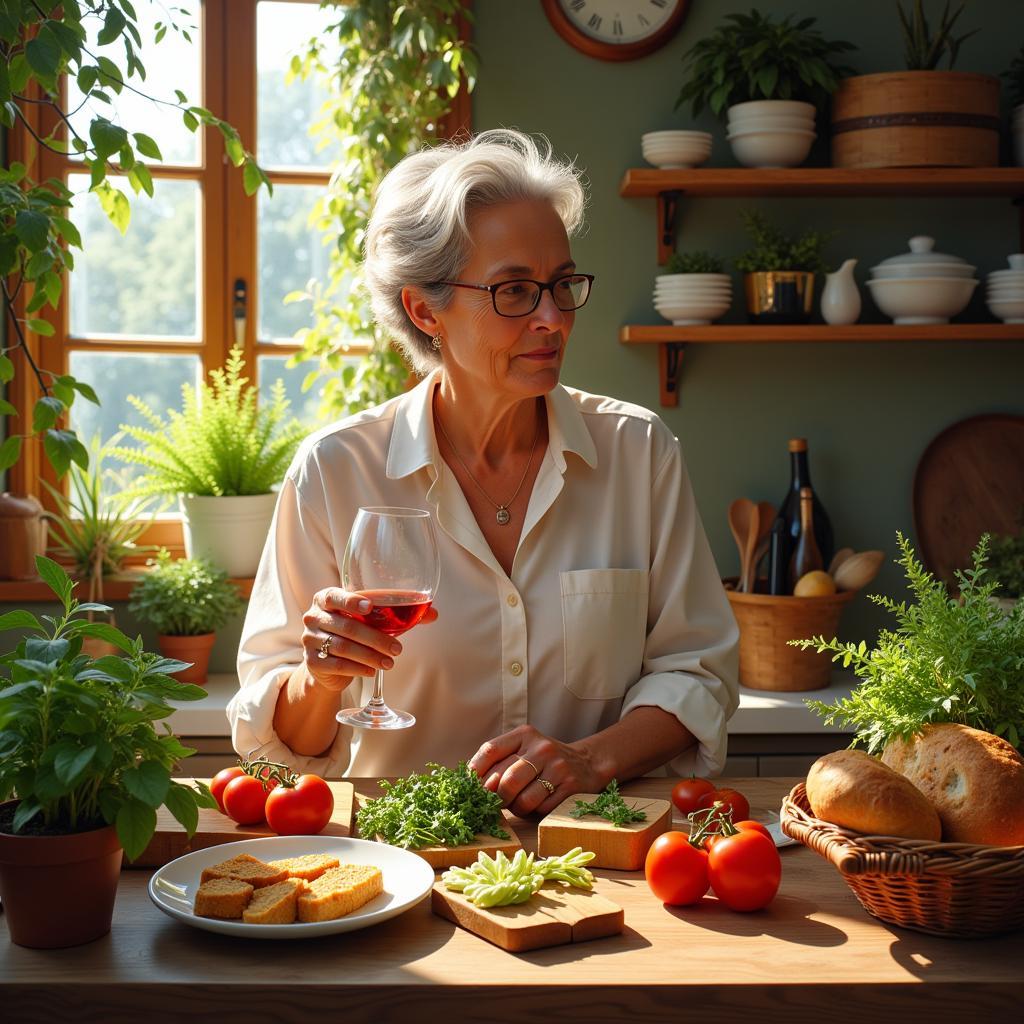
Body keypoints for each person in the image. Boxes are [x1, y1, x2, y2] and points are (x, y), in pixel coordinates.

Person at [229, 129, 739, 817]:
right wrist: (318, 681)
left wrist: (589, 760)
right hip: (397, 855)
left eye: (563, 285)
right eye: (515, 292)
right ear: (424, 310)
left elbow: (697, 672)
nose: (554, 319)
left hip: (594, 853)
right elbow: (275, 744)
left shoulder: (638, 453)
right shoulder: (335, 471)